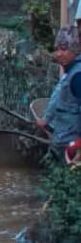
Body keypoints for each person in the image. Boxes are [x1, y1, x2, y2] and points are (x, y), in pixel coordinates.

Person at [39, 27, 81, 163]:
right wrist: (46, 119)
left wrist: (79, 148)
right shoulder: (69, 73)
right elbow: (57, 99)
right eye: (57, 49)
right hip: (62, 144)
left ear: (75, 50)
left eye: (63, 49)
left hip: (72, 150)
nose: (58, 54)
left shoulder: (78, 76)